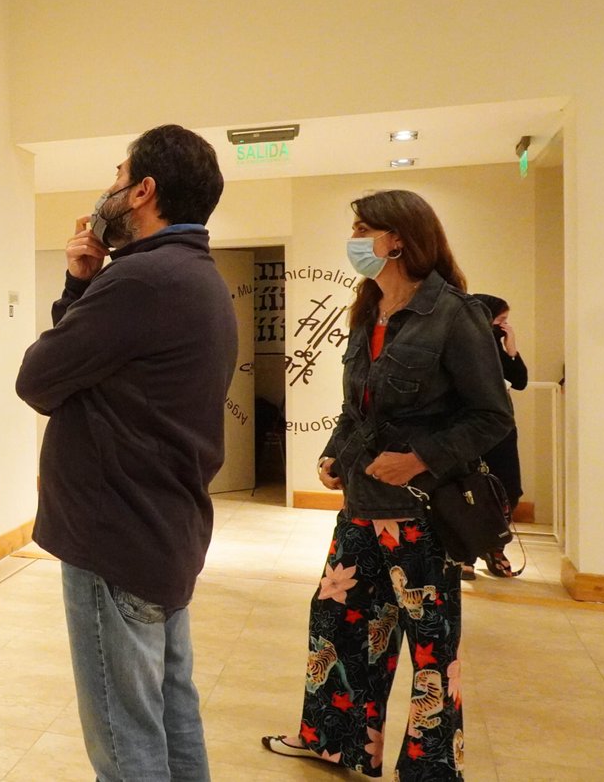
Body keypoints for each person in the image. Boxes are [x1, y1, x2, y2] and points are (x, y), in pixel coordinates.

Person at [261, 190, 513, 780]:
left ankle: (430, 769)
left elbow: (492, 416)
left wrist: (419, 458)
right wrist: (333, 455)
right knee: (337, 626)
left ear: (397, 239)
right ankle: (333, 742)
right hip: (360, 506)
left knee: (431, 649)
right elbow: (359, 410)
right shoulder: (367, 309)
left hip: (420, 515)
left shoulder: (454, 314)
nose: (353, 240)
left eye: (361, 230)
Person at [16, 124, 235, 782]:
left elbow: (38, 379)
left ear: (143, 190)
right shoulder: (197, 277)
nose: (108, 188)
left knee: (125, 739)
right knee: (172, 714)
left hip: (116, 536)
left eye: (118, 175)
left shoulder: (140, 281)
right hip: (162, 530)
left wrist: (81, 286)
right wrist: (86, 282)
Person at [467, 293, 526, 578]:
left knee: (508, 488)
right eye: (500, 320)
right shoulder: (466, 344)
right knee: (468, 490)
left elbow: (520, 381)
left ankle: (495, 546)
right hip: (469, 429)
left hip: (501, 430)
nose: (504, 326)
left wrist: (511, 349)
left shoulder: (497, 346)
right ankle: (465, 552)